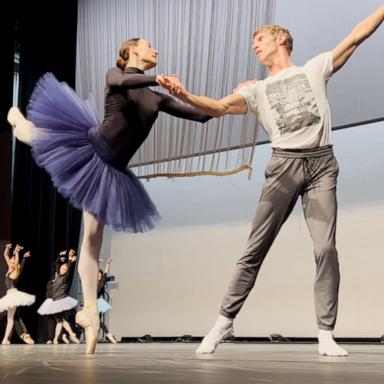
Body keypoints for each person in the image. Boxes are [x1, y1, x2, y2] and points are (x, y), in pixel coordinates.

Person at [159, 5, 384, 357]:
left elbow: (357, 35)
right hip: (283, 166)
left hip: (322, 163)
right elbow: (216, 107)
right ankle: (223, 321)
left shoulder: (314, 68)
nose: (255, 46)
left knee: (326, 248)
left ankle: (325, 332)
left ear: (281, 38)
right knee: (254, 249)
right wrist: (185, 95)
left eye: (259, 38)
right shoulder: (257, 90)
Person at [7, 38, 211, 353]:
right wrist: (158, 78)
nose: (155, 50)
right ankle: (17, 122)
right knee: (37, 136)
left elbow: (202, 115)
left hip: (111, 171)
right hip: (91, 150)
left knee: (91, 239)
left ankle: (89, 311)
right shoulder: (115, 77)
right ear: (130, 52)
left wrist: (232, 101)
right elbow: (125, 80)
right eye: (148, 45)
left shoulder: (157, 99)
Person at [39, 250, 80, 344]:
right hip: (55, 300)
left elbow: (69, 270)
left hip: (61, 300)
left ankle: (69, 335)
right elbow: (56, 264)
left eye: (64, 269)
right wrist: (60, 255)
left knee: (61, 320)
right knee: (60, 321)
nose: (63, 269)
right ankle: (57, 338)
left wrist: (70, 261)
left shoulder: (65, 278)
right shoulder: (57, 275)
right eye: (62, 268)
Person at [0, 243, 35, 345]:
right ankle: (6, 339)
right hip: (9, 295)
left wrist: (17, 253)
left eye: (12, 260)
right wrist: (7, 248)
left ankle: (6, 339)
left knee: (10, 319)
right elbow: (5, 255)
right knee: (10, 318)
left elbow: (16, 264)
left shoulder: (15, 272)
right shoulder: (9, 270)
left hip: (13, 295)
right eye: (11, 259)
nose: (10, 260)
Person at [97, 258, 117, 343]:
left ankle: (108, 334)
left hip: (97, 302)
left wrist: (107, 264)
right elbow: (92, 271)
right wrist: (96, 263)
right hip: (91, 302)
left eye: (100, 276)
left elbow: (105, 273)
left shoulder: (101, 283)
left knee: (97, 321)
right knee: (96, 322)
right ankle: (108, 334)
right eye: (97, 275)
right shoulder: (91, 282)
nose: (99, 277)